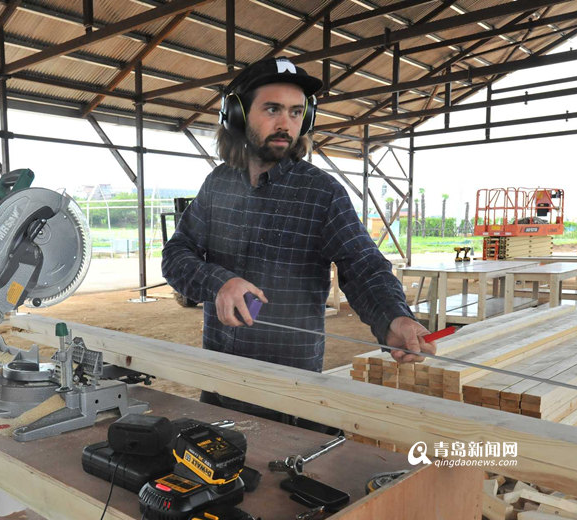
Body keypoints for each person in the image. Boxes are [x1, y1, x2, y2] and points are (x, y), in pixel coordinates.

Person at [162, 57, 434, 429]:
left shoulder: (322, 193)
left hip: (292, 391)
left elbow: (363, 265)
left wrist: (394, 317)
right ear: (238, 116)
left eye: (295, 112)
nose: (285, 123)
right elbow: (176, 255)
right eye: (272, 109)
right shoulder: (217, 184)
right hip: (221, 379)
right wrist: (219, 282)